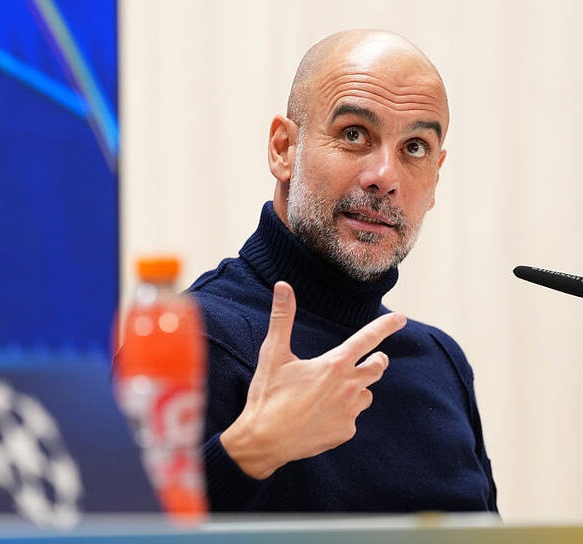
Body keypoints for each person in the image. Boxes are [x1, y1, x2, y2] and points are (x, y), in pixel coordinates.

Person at [188, 29, 498, 513]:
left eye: (415, 147)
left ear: (436, 176)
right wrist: (250, 450)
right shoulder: (193, 337)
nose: (384, 177)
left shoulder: (440, 363)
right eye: (354, 134)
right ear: (284, 149)